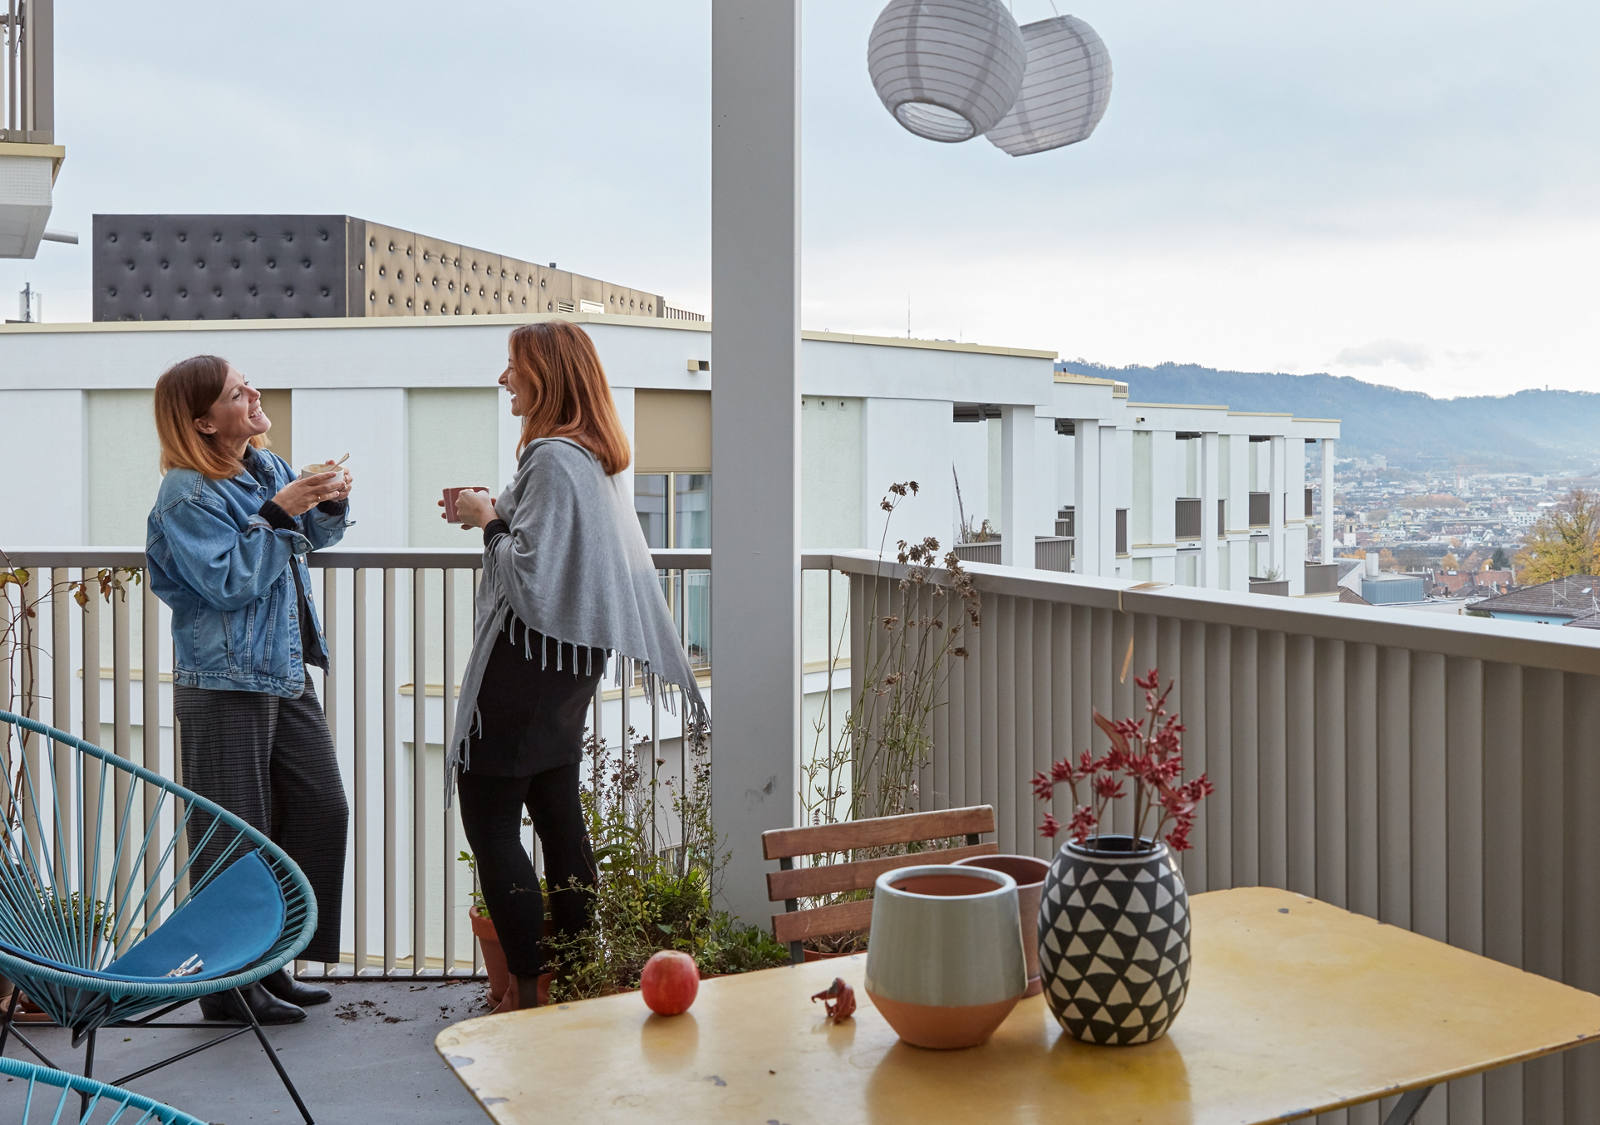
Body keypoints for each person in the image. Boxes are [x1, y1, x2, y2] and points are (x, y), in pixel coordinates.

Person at [446, 321, 707, 1012]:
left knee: (490, 816)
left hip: (527, 661)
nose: (505, 379)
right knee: (558, 813)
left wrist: (488, 520)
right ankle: (577, 976)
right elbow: (560, 555)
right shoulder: (588, 457)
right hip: (564, 665)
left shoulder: (554, 458)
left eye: (513, 366)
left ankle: (529, 991)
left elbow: (532, 573)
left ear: (546, 375)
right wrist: (498, 509)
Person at [145, 355, 352, 1025]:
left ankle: (273, 959)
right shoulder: (186, 492)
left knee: (323, 806)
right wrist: (279, 510)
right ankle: (228, 989)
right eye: (238, 393)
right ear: (203, 420)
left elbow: (308, 539)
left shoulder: (264, 465)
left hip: (281, 668)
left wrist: (328, 498)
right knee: (235, 837)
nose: (254, 393)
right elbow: (229, 581)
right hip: (223, 679)